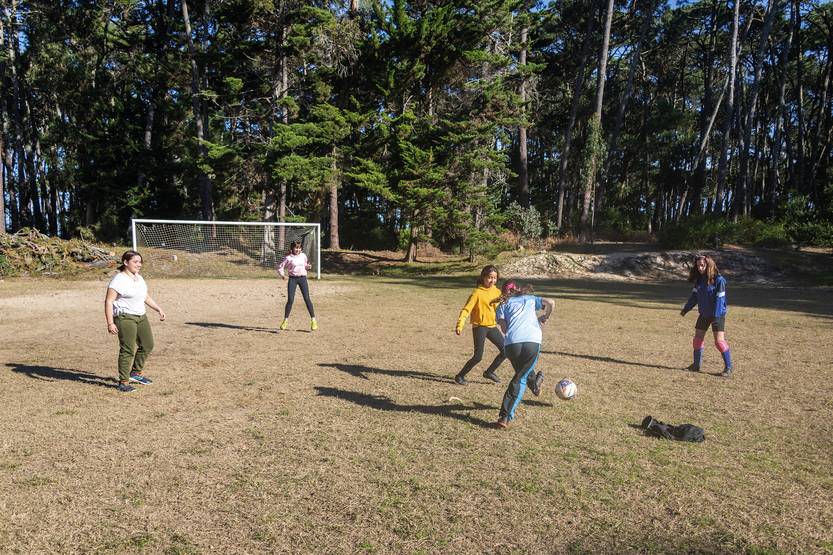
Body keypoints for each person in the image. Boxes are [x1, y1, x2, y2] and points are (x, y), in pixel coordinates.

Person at [494, 280, 554, 429]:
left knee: (521, 371)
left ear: (504, 293)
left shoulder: (502, 305)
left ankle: (535, 385)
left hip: (512, 343)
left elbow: (504, 328)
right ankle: (505, 416)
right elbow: (551, 302)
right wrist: (545, 317)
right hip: (532, 341)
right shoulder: (530, 299)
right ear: (519, 290)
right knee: (520, 377)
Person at [104, 250, 166, 393]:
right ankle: (123, 382)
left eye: (140, 262)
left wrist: (158, 308)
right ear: (126, 262)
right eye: (135, 262)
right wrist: (110, 323)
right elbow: (108, 301)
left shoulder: (138, 278)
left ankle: (135, 373)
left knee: (147, 344)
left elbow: (145, 296)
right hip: (125, 318)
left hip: (141, 316)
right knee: (128, 349)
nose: (139, 265)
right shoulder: (118, 280)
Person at [680, 254, 733, 377]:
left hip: (717, 315)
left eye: (702, 265)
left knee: (719, 342)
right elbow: (694, 297)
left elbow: (720, 300)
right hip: (704, 314)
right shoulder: (699, 280)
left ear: (709, 265)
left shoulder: (719, 280)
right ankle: (696, 365)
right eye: (698, 265)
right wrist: (686, 309)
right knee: (697, 339)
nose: (700, 268)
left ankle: (728, 368)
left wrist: (716, 315)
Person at [454, 265, 506, 385]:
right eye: (489, 277)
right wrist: (460, 325)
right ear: (483, 277)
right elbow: (466, 310)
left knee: (505, 351)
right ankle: (460, 376)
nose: (492, 280)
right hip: (480, 327)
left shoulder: (497, 291)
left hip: (492, 326)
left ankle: (489, 372)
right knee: (478, 356)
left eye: (495, 278)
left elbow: (500, 309)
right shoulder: (477, 293)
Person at [277, 240, 317, 331]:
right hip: (293, 279)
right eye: (296, 248)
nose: (298, 249)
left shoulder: (303, 256)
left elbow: (305, 265)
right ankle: (285, 321)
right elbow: (280, 266)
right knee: (290, 300)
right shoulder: (288, 258)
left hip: (303, 279)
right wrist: (283, 275)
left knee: (307, 299)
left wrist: (308, 267)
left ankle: (313, 320)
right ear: (292, 248)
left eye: (299, 248)